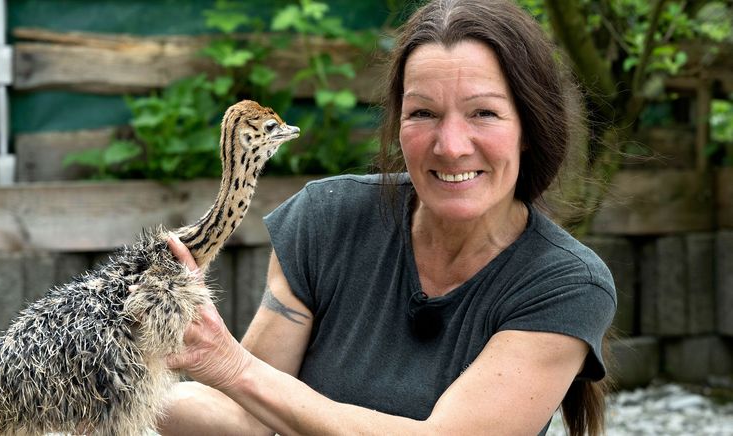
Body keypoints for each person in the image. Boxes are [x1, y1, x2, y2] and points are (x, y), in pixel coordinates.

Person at [157, 0, 616, 434]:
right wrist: (108, 395)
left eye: (484, 113)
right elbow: (245, 419)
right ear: (398, 124)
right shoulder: (327, 220)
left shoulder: (566, 285)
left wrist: (233, 366)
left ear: (528, 130)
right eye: (424, 113)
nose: (451, 145)